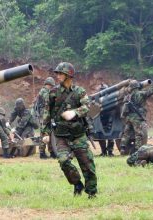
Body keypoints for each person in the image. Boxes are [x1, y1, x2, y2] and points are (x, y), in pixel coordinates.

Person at [44, 62, 97, 198]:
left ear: (69, 75)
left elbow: (88, 107)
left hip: (78, 134)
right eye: (57, 73)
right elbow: (47, 114)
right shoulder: (53, 93)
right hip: (61, 135)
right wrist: (45, 132)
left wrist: (75, 112)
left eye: (61, 73)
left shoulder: (79, 92)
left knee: (87, 165)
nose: (58, 76)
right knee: (63, 161)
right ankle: (77, 183)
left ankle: (91, 193)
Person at [120, 79, 153, 154]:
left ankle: (122, 147)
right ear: (137, 86)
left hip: (128, 117)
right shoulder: (141, 94)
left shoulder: (128, 96)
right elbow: (150, 92)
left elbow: (124, 106)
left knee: (126, 133)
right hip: (136, 117)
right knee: (138, 133)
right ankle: (137, 150)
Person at [35, 77, 57, 159]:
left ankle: (52, 152)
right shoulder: (43, 91)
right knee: (44, 133)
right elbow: (48, 101)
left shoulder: (46, 91)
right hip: (43, 116)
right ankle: (42, 153)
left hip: (47, 114)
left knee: (50, 133)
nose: (52, 87)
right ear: (48, 84)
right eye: (51, 86)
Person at [97, 83, 115, 157]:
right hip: (100, 120)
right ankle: (104, 152)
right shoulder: (97, 99)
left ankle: (110, 152)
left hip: (109, 119)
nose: (102, 91)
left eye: (103, 90)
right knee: (101, 137)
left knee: (111, 137)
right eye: (101, 90)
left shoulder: (111, 98)